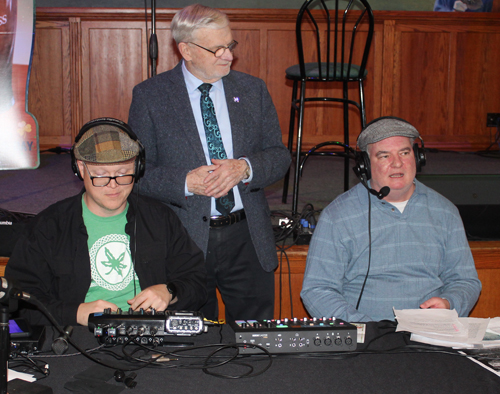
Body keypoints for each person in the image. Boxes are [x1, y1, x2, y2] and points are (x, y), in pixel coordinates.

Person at [128, 4, 291, 322]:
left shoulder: (252, 90)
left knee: (253, 343)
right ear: (185, 49)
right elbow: (137, 173)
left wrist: (244, 167)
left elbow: (279, 155)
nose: (228, 55)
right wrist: (185, 182)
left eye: (229, 45)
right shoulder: (151, 97)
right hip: (183, 241)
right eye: (217, 48)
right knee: (191, 346)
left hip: (247, 236)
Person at [5, 117, 207, 326]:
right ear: (81, 169)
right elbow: (20, 300)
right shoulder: (48, 226)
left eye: (123, 173)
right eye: (101, 175)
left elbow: (198, 281)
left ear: (137, 169)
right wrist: (76, 313)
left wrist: (169, 291)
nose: (113, 185)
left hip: (151, 336)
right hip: (77, 339)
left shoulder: (161, 218)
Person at [301, 117, 481, 322]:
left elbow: (465, 281)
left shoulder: (444, 211)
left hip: (430, 335)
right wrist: (362, 327)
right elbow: (317, 290)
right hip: (366, 339)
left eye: (404, 153)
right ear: (365, 165)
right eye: (384, 156)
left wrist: (449, 303)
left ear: (418, 157)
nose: (397, 163)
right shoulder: (338, 216)